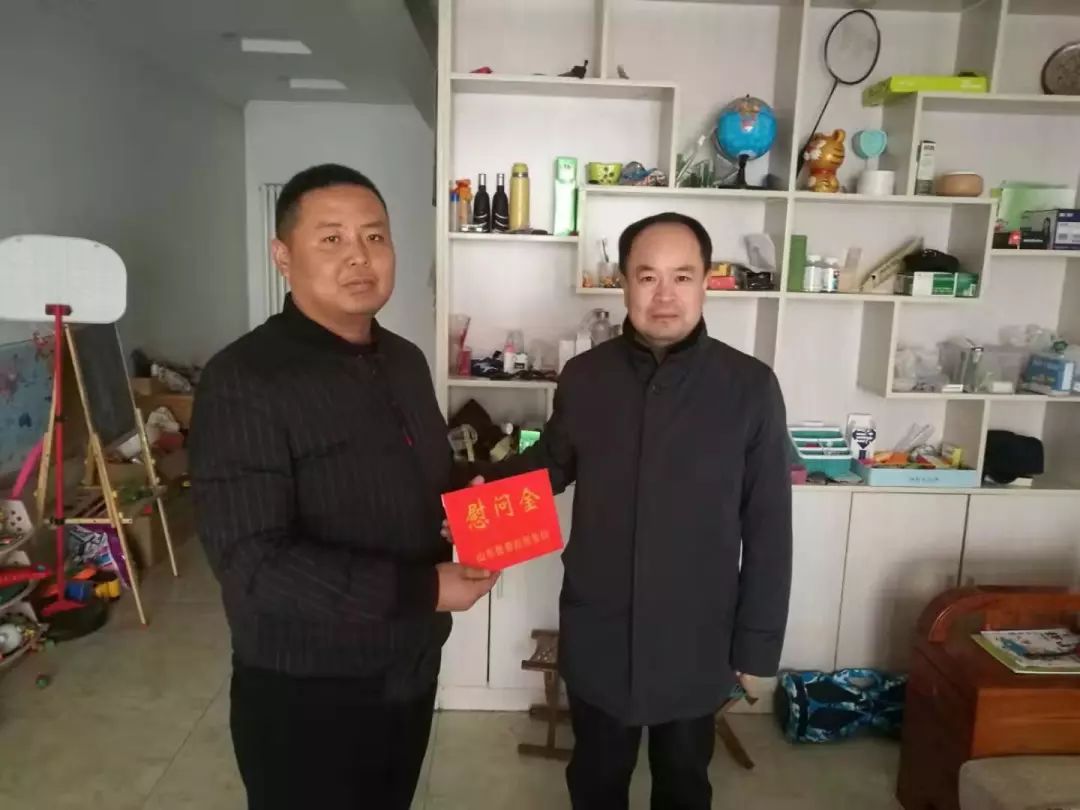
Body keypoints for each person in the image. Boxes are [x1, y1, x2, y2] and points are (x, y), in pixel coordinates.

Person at [190, 164, 496, 810]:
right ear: (283, 256)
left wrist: (472, 505)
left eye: (375, 237)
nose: (359, 256)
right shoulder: (244, 378)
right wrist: (425, 587)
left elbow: (422, 473)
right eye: (331, 239)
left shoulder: (406, 360)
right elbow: (252, 562)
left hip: (409, 667)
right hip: (309, 691)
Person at [478, 212, 792, 810]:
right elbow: (551, 468)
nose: (665, 295)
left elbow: (770, 527)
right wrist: (479, 504)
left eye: (683, 276)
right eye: (648, 277)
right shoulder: (585, 378)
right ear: (623, 283)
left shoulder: (750, 387)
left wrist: (756, 649)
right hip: (600, 630)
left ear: (706, 282)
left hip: (697, 636)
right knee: (595, 780)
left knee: (684, 783)